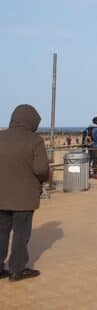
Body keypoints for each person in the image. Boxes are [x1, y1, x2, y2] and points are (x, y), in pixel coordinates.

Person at [0, 105, 50, 282]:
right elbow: (41, 169)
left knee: (1, 231)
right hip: (24, 196)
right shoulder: (34, 141)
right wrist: (44, 178)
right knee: (21, 233)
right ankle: (17, 269)